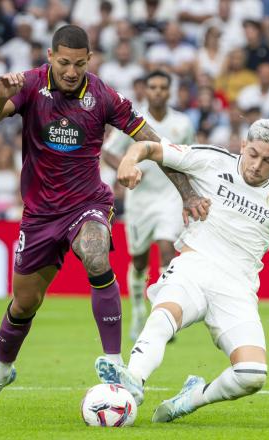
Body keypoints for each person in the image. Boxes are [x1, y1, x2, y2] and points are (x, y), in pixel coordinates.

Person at [0, 24, 209, 416]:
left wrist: (188, 191)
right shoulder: (29, 85)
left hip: (87, 204)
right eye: (64, 63)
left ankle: (113, 360)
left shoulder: (101, 95)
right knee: (24, 304)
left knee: (97, 255)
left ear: (89, 61)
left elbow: (153, 142)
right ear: (50, 57)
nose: (70, 71)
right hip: (40, 214)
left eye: (79, 64)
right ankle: (0, 373)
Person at [94, 119, 269, 423]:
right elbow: (150, 147)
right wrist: (130, 160)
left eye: (268, 161)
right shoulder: (211, 160)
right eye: (253, 154)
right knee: (163, 316)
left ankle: (192, 397)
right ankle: (133, 381)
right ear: (244, 145)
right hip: (194, 266)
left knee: (252, 376)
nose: (256, 166)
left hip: (237, 287)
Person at [102, 70, 195, 341]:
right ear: (147, 90)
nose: (157, 92)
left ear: (169, 91)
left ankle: (162, 317)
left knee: (167, 251)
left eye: (162, 87)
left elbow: (191, 156)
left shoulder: (183, 123)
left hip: (170, 197)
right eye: (152, 87)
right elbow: (107, 151)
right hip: (140, 200)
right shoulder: (134, 121)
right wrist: (126, 168)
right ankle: (138, 311)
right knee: (140, 260)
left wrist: (191, 193)